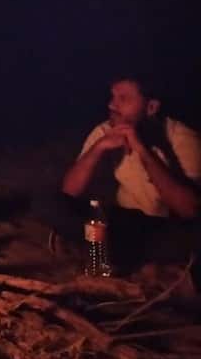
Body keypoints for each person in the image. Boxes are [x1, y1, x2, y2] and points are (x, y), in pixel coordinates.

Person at [56, 73, 201, 269]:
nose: (111, 105)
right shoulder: (106, 131)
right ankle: (111, 252)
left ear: (151, 107)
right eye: (112, 97)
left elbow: (190, 210)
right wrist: (98, 148)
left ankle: (114, 254)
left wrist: (142, 150)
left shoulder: (182, 138)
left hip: (164, 229)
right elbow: (69, 192)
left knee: (193, 235)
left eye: (122, 99)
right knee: (48, 202)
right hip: (124, 222)